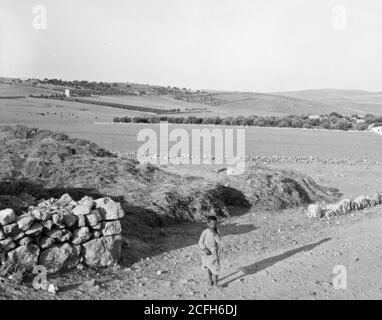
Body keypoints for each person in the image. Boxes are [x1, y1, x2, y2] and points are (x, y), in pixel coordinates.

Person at [198, 215, 221, 287]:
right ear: (207, 224)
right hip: (207, 253)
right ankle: (210, 280)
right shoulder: (205, 232)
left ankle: (216, 283)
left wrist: (215, 234)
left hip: (214, 253)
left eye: (215, 224)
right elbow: (200, 242)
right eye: (211, 224)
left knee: (215, 269)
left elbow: (219, 242)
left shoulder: (217, 232)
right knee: (209, 267)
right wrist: (204, 249)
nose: (213, 226)